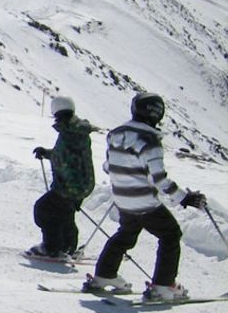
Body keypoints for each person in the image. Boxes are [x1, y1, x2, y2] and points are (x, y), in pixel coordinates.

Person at [83, 93, 206, 301]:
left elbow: (108, 166)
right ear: (158, 114)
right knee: (170, 235)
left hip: (122, 199)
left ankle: (104, 275)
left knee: (126, 233)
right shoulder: (149, 141)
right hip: (144, 202)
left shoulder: (115, 135)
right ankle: (163, 286)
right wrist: (185, 198)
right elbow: (159, 179)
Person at [27, 96, 95, 258]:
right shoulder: (77, 129)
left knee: (44, 209)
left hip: (71, 185)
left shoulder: (68, 131)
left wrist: (49, 155)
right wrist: (48, 153)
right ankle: (67, 246)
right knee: (64, 212)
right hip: (82, 183)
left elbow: (64, 159)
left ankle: (52, 248)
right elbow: (68, 156)